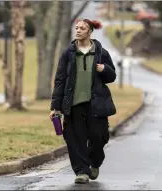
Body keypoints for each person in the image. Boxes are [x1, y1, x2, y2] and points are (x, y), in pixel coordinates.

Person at [49, 19, 117, 184]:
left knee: (99, 136)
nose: (78, 31)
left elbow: (112, 76)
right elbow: (60, 81)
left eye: (82, 28)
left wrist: (105, 69)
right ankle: (82, 171)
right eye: (77, 28)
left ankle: (94, 162)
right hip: (74, 104)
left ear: (90, 31)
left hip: (96, 103)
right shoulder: (68, 53)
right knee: (75, 138)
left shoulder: (101, 53)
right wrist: (55, 107)